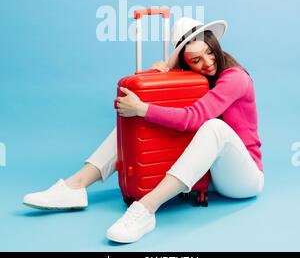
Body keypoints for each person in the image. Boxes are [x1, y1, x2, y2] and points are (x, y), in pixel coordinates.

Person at [23, 17, 264, 244]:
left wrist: (143, 108)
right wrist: (167, 69)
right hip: (212, 176)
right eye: (196, 60)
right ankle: (75, 186)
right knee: (136, 123)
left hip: (244, 179)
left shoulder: (235, 78)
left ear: (216, 46)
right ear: (186, 62)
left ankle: (145, 209)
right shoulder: (197, 79)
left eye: (210, 52)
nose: (208, 62)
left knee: (214, 127)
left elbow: (194, 118)